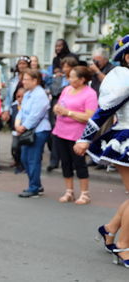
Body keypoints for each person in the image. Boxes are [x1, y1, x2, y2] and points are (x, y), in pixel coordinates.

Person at [74, 35, 129, 267]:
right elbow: (103, 111)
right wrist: (84, 139)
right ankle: (124, 247)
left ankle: (110, 230)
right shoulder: (124, 79)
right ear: (127, 57)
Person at [52, 66, 97, 204]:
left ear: (82, 79)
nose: (69, 79)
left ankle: (85, 194)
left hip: (77, 135)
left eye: (72, 77)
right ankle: (69, 191)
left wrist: (69, 113)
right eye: (69, 76)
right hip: (61, 131)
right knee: (65, 162)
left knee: (79, 163)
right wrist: (57, 109)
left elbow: (90, 116)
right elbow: (60, 105)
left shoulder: (90, 94)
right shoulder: (67, 89)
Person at [16, 69, 51, 198]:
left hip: (38, 131)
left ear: (35, 81)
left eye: (26, 79)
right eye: (23, 79)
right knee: (25, 158)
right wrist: (17, 123)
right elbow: (22, 110)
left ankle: (34, 187)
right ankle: (36, 184)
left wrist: (23, 126)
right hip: (27, 130)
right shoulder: (27, 94)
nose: (23, 82)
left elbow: (36, 115)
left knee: (33, 159)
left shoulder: (40, 95)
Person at [2, 56, 31, 123]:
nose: (21, 66)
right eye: (20, 64)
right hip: (15, 109)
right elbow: (8, 97)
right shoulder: (13, 80)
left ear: (28, 65)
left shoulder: (32, 79)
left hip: (27, 110)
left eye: (24, 63)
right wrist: (6, 110)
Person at [10, 88, 25, 174]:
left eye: (22, 97)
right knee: (14, 147)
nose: (20, 99)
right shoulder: (13, 106)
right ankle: (17, 162)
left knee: (23, 149)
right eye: (18, 96)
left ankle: (22, 165)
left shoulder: (27, 106)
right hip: (15, 131)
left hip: (24, 131)